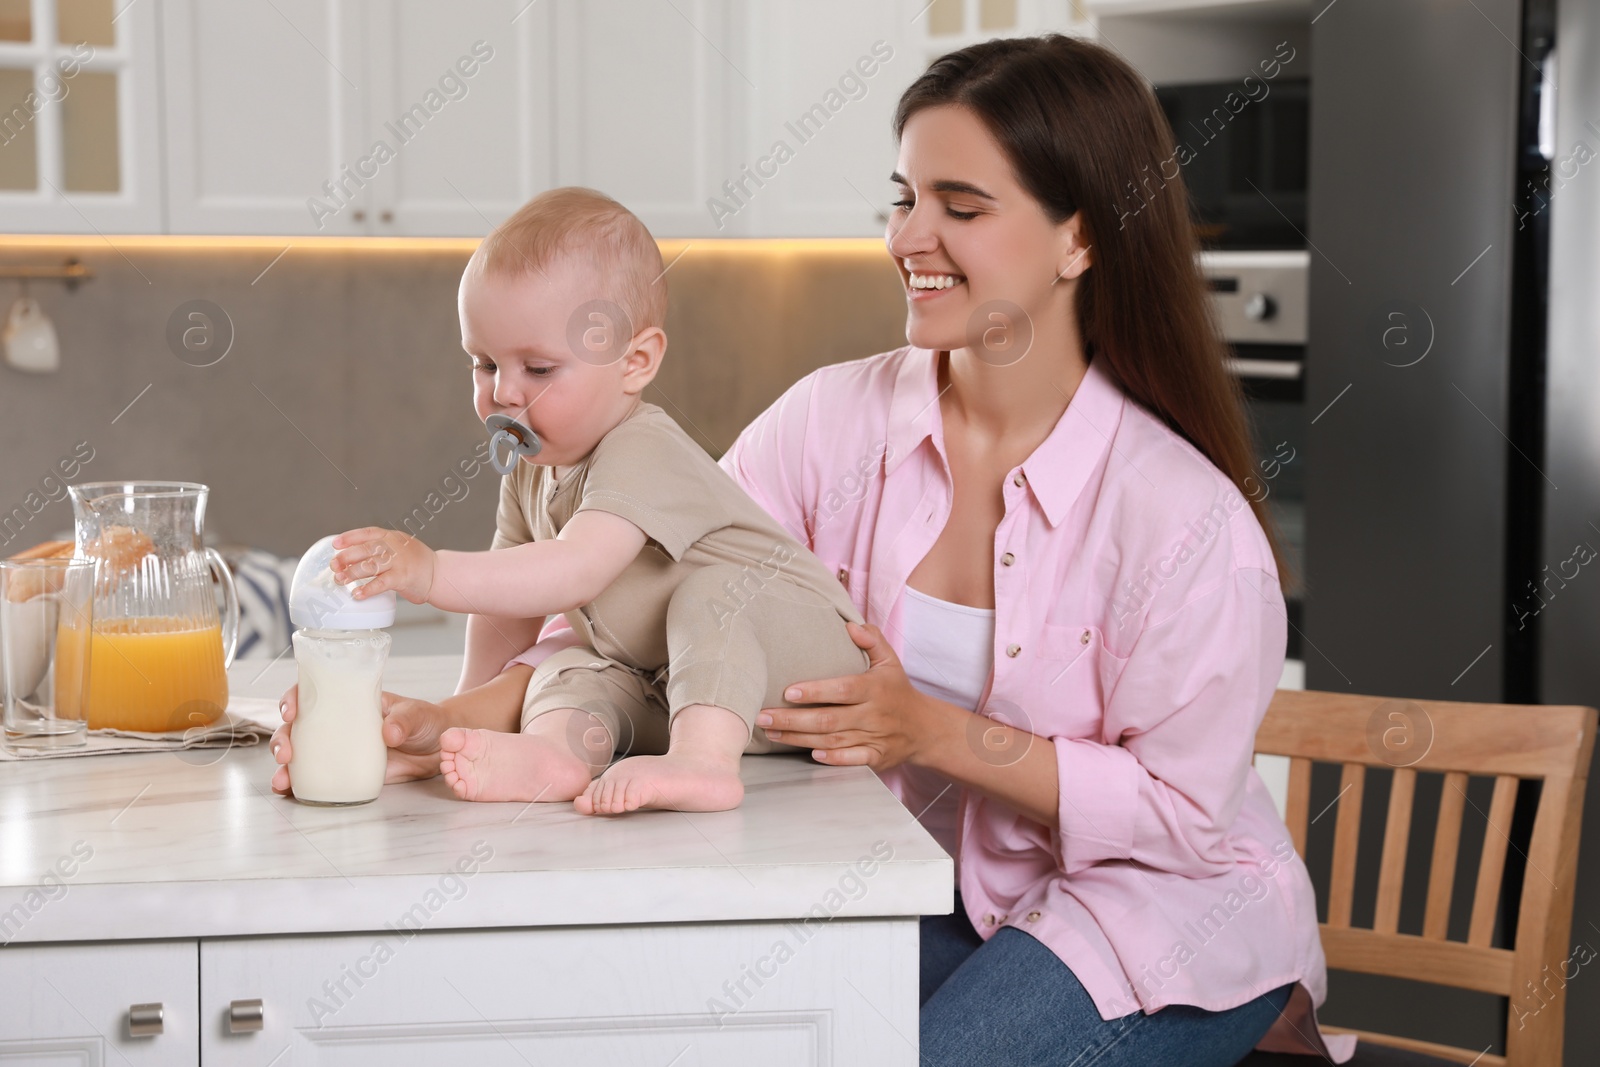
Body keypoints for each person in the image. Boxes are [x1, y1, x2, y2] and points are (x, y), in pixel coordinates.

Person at [271, 186, 870, 815]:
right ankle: (554, 755)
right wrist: (458, 718)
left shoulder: (643, 450)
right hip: (688, 680)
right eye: (483, 363)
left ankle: (706, 766)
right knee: (570, 668)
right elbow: (509, 612)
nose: (502, 392)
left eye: (538, 369)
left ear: (635, 362)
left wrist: (431, 572)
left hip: (804, 661)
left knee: (712, 594)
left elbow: (573, 568)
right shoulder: (533, 468)